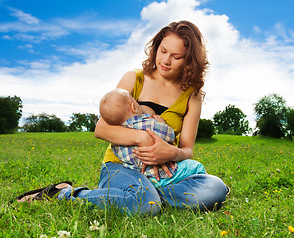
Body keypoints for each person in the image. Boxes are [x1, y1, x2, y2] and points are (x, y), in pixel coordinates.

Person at [16, 20, 228, 215]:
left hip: (166, 174)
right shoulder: (134, 79)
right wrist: (141, 138)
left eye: (177, 56)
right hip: (120, 167)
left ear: (189, 60)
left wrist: (170, 152)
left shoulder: (192, 96)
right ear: (156, 47)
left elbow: (187, 149)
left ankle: (141, 196)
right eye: (163, 51)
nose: (166, 60)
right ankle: (63, 194)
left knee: (215, 187)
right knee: (147, 205)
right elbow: (102, 129)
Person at [99, 88, 206, 187]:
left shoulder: (118, 136)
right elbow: (168, 137)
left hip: (138, 174)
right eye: (135, 101)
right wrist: (162, 124)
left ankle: (147, 195)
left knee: (142, 196)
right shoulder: (147, 124)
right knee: (196, 167)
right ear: (133, 107)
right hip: (161, 174)